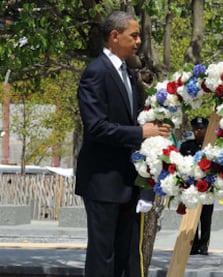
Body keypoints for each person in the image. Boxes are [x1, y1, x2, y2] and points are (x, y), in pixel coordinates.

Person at [76, 11, 171, 277]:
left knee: (126, 254)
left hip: (127, 181)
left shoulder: (127, 73)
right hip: (103, 180)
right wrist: (141, 132)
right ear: (114, 36)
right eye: (134, 35)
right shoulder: (96, 72)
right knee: (102, 256)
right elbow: (96, 127)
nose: (139, 41)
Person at [179, 117, 213, 255]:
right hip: (191, 187)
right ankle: (193, 243)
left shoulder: (211, 145)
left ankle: (204, 244)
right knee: (191, 216)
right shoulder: (187, 146)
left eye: (201, 129)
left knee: (206, 217)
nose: (198, 132)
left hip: (207, 186)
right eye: (195, 129)